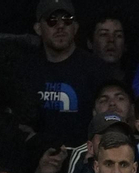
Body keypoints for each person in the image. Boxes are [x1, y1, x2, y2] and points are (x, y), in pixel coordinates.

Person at [20, 0, 115, 151]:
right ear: (38, 28)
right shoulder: (26, 70)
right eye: (52, 20)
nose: (60, 26)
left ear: (75, 27)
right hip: (38, 161)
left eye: (67, 20)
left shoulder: (97, 69)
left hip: (84, 162)